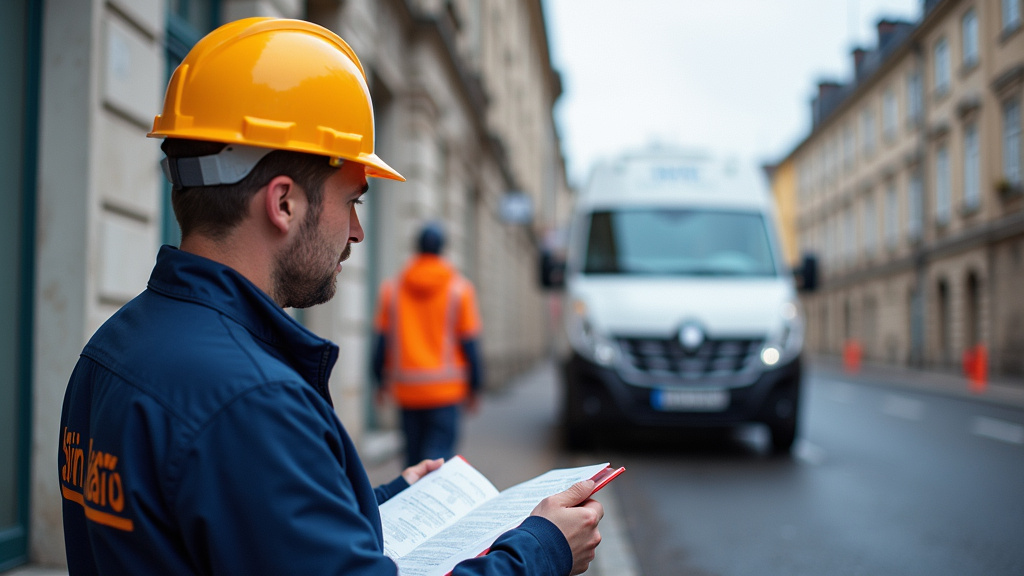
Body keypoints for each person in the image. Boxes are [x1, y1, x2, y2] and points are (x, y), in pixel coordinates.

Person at [57, 17, 602, 576]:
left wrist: (374, 501)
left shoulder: (111, 348)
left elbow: (234, 528)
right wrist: (542, 549)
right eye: (353, 201)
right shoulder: (254, 403)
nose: (358, 232)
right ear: (284, 204)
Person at [372, 222, 482, 467]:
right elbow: (470, 344)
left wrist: (379, 381)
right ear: (443, 248)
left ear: (416, 248)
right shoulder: (459, 289)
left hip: (407, 391)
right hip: (446, 392)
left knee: (412, 460)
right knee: (439, 459)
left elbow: (381, 341)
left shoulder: (393, 289)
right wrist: (475, 386)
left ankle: (409, 503)